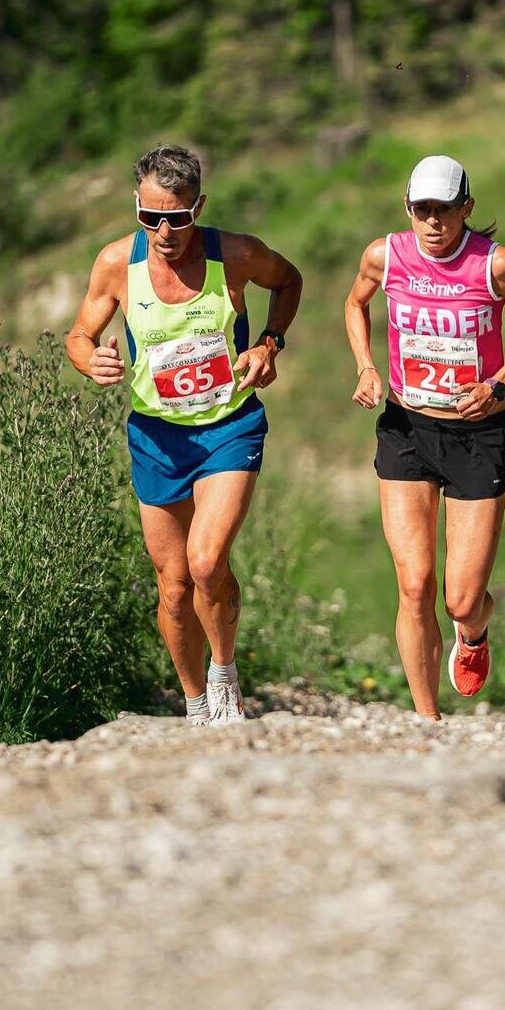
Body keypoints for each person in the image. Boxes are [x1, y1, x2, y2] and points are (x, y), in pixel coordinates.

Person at [67, 145, 303, 725]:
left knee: (204, 561)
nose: (165, 231)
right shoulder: (116, 263)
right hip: (158, 436)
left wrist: (269, 343)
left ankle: (225, 676)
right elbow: (79, 334)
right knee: (173, 588)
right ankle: (195, 703)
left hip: (229, 424)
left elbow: (289, 281)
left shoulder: (238, 254)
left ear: (198, 205)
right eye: (151, 217)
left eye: (177, 216)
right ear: (136, 207)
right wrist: (90, 361)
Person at [343, 154, 505, 719]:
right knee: (414, 584)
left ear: (467, 207)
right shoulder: (384, 255)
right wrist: (367, 365)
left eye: (444, 210)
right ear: (408, 208)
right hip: (407, 426)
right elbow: (355, 303)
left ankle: (475, 634)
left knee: (461, 600)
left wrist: (499, 383)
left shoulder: (497, 265)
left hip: (475, 433)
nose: (433, 222)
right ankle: (426, 720)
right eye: (422, 210)